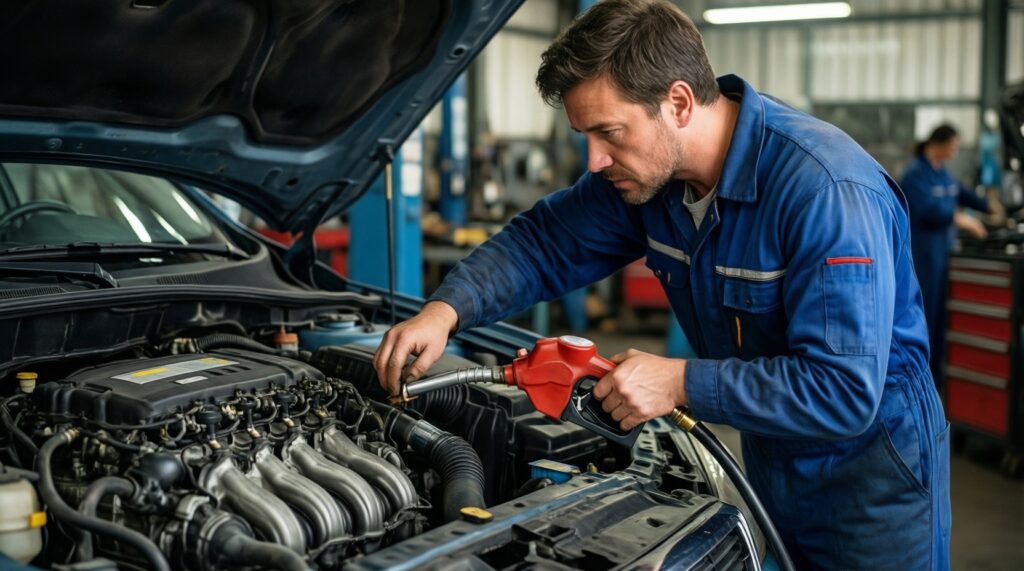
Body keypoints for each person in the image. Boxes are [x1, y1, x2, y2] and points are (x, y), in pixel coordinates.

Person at [374, 1, 950, 569]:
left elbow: (842, 389)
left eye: (608, 132)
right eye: (585, 136)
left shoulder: (825, 192)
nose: (596, 160)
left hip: (872, 485)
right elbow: (545, 243)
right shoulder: (652, 177)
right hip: (773, 457)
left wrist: (679, 381)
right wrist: (445, 311)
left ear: (677, 102)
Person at [900, 124, 995, 388]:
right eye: (953, 144)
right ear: (939, 143)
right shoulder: (915, 175)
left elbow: (960, 193)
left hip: (943, 256)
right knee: (926, 318)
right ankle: (921, 382)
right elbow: (927, 210)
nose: (955, 150)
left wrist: (989, 206)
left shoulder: (942, 173)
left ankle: (938, 380)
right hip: (924, 259)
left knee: (942, 319)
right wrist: (958, 218)